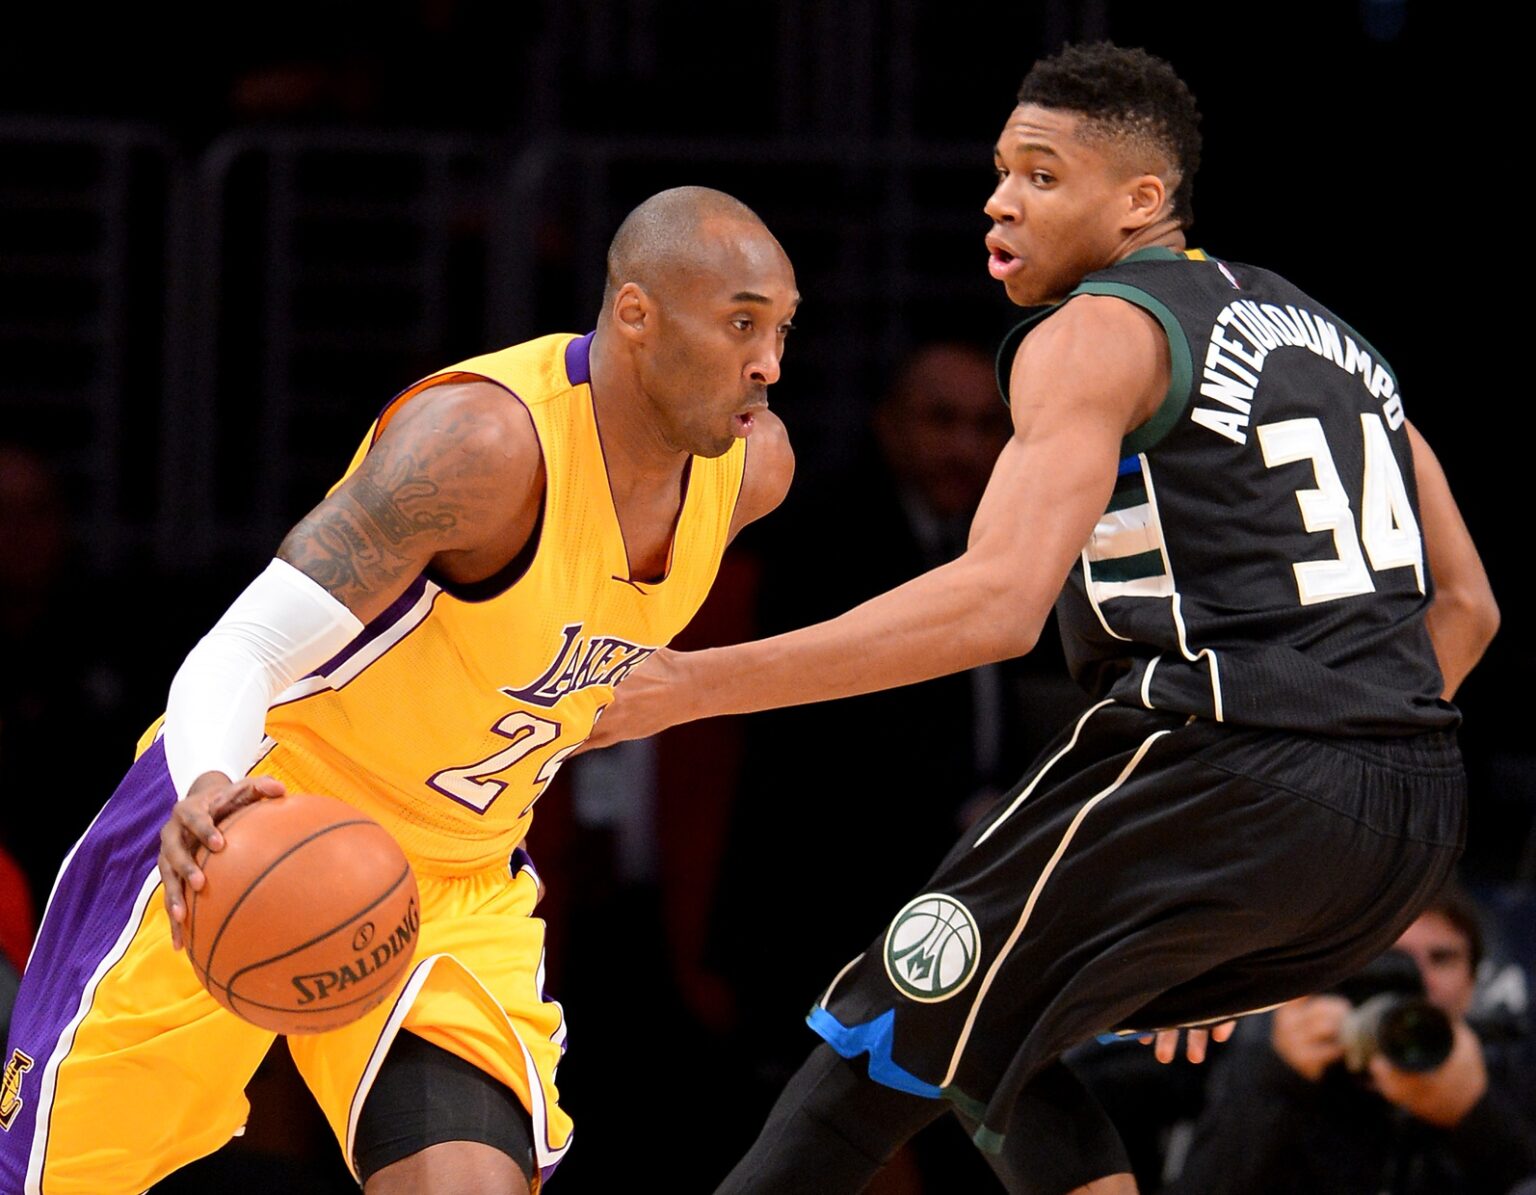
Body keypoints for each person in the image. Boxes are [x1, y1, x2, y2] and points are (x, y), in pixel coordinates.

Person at [586, 43, 1500, 1195]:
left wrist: (694, 683)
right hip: (1413, 817)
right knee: (991, 1033)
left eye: (1041, 175)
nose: (999, 199)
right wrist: (1282, 861)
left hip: (1230, 763)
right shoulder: (1345, 349)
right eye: (1001, 172)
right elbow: (1468, 605)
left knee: (895, 1007)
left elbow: (997, 603)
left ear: (1141, 202)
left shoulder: (1096, 330)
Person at [0, 185, 799, 1195]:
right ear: (635, 313)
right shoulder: (481, 445)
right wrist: (206, 782)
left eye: (780, 329)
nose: (768, 362)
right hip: (254, 822)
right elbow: (241, 647)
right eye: (739, 324)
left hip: (451, 881)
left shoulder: (748, 471)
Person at [1171, 885, 1536, 1194]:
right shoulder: (1277, 1063)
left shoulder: (1510, 1069)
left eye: (1441, 959)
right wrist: (1279, 1079)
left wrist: (1475, 1114)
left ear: (1473, 983)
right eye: (1389, 955)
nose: (1415, 981)